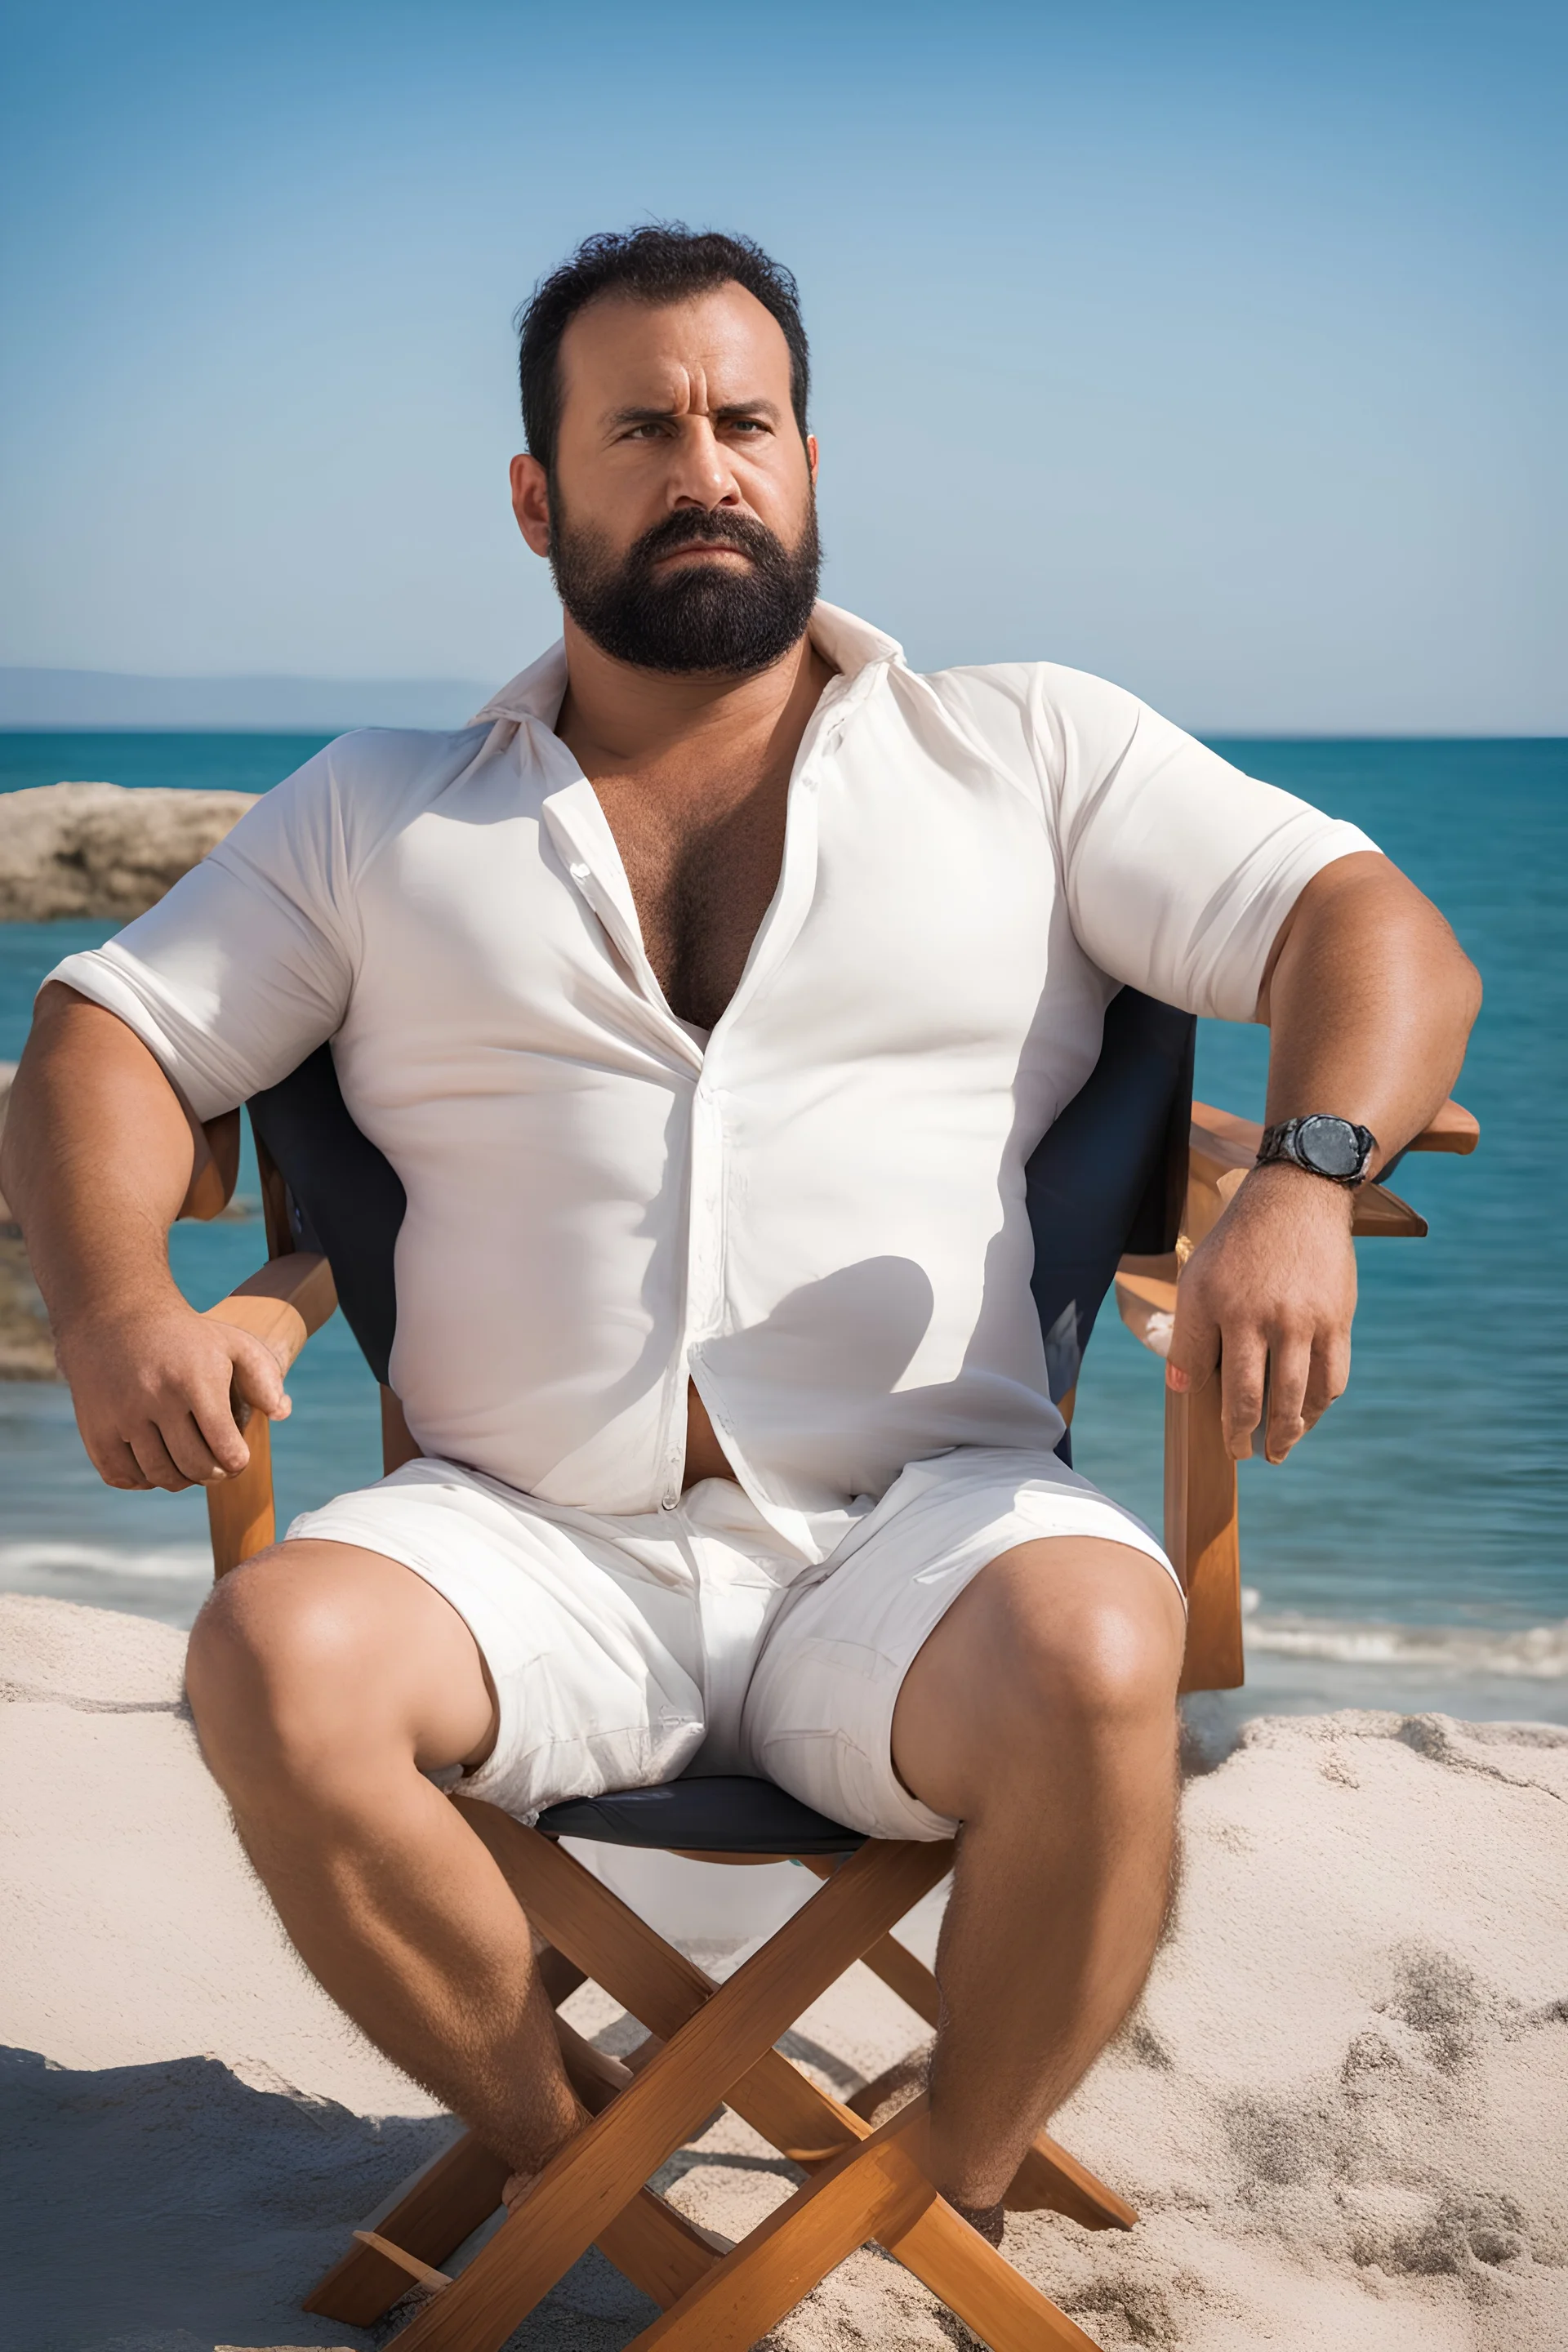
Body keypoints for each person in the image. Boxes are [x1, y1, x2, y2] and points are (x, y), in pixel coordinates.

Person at [2, 225, 1479, 2243]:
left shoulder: (1027, 752)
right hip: (513, 1540)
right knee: (271, 1658)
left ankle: (926, 2194)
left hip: (927, 1530)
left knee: (1104, 1641)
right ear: (538, 494)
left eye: (746, 419)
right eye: (642, 426)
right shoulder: (379, 811)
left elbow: (1364, 925)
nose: (706, 464)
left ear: (806, 456)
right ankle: (577, 2158)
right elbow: (107, 1033)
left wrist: (1300, 1178)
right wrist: (113, 1308)